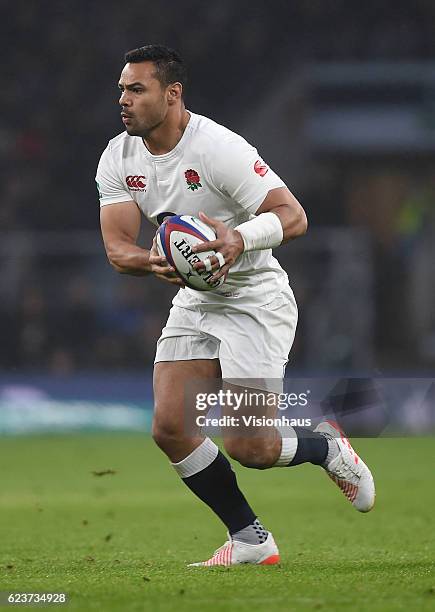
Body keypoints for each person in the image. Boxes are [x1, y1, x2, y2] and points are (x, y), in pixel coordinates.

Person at [96, 44, 375, 567]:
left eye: (136, 89)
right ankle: (250, 538)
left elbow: (293, 217)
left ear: (172, 93)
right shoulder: (119, 155)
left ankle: (326, 446)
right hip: (197, 297)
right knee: (170, 428)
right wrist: (151, 262)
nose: (123, 100)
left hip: (254, 299)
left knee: (252, 448)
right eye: (121, 89)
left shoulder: (217, 148)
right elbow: (117, 248)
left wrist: (237, 240)